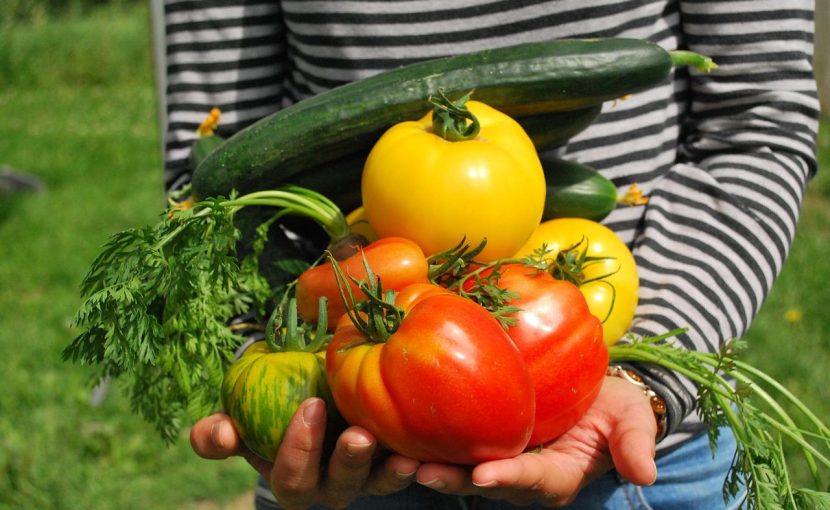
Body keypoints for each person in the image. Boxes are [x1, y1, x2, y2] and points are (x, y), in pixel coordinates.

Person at [161, 1, 820, 508]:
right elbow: (212, 175)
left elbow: (756, 125)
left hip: (639, 450)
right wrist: (264, 368)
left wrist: (647, 380)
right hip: (341, 422)